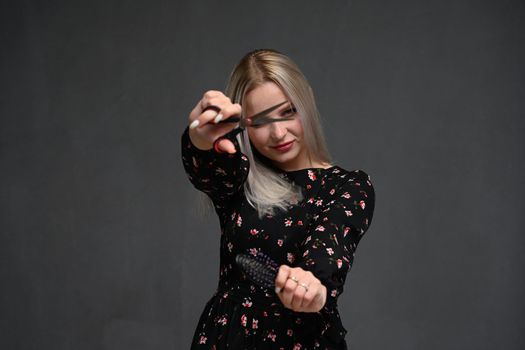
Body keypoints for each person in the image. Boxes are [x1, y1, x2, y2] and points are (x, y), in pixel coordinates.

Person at [181, 49, 375, 349]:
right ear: (243, 125)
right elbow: (207, 166)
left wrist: (313, 288)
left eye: (287, 112)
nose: (277, 133)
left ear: (306, 101)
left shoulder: (346, 186)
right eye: (259, 122)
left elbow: (330, 246)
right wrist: (201, 137)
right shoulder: (238, 175)